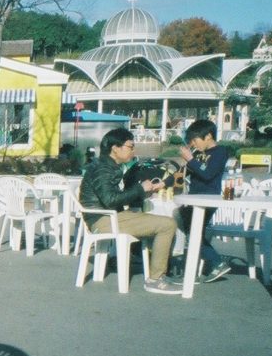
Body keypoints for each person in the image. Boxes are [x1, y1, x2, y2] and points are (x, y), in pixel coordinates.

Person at [78, 127, 180, 294]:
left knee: (157, 220)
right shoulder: (103, 169)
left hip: (106, 217)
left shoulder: (106, 165)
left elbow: (112, 197)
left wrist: (142, 190)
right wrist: (140, 188)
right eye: (130, 146)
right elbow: (110, 199)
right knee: (168, 224)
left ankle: (157, 271)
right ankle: (156, 279)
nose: (133, 150)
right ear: (115, 148)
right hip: (103, 220)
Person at [177, 119, 231, 282]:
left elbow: (208, 174)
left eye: (195, 140)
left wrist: (191, 160)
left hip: (209, 198)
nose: (193, 143)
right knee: (191, 229)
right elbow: (185, 174)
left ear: (208, 136)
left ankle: (216, 262)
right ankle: (206, 263)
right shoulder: (199, 154)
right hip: (195, 198)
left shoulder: (220, 152)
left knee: (193, 231)